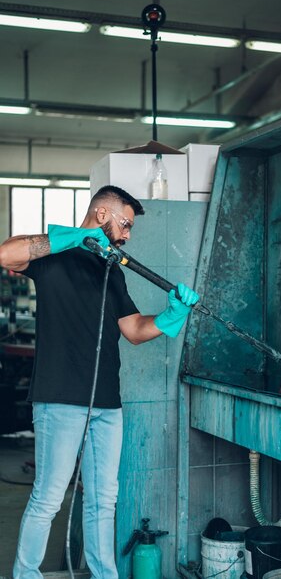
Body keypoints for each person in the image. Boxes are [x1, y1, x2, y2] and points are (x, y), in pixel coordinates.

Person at [0, 185, 199, 579]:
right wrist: (74, 237)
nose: (126, 236)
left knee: (104, 501)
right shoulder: (55, 256)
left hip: (107, 404)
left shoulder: (111, 272)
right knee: (49, 497)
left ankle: (105, 574)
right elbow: (6, 253)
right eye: (124, 224)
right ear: (102, 214)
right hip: (59, 399)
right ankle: (27, 575)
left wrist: (173, 314)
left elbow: (135, 330)